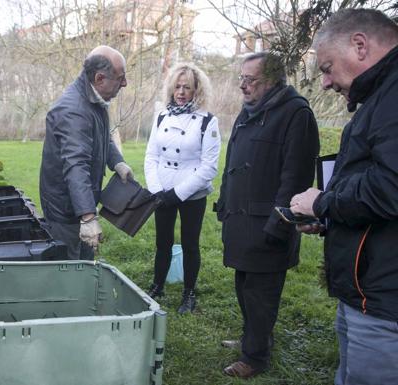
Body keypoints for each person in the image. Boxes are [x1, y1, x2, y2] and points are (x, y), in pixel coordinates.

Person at [290, 9, 398, 385]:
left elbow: (390, 189)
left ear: (360, 45)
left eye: (326, 67)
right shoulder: (380, 97)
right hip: (365, 291)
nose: (324, 82)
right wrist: (331, 216)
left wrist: (321, 202)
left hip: (384, 302)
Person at [213, 51, 319, 378]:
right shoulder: (251, 111)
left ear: (272, 80)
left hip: (268, 222)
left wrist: (281, 221)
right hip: (241, 220)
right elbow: (233, 164)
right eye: (241, 79)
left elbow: (296, 177)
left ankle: (255, 357)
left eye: (250, 80)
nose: (242, 86)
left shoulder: (295, 113)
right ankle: (254, 338)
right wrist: (224, 202)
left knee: (261, 294)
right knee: (244, 286)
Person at [39, 45, 133, 260]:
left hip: (79, 203)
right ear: (100, 78)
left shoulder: (95, 99)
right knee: (70, 268)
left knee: (85, 261)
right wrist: (88, 217)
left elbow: (102, 136)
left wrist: (117, 162)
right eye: (120, 78)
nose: (125, 83)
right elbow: (76, 166)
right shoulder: (74, 111)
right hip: (65, 209)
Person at [143, 62, 221, 314]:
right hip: (162, 192)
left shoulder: (207, 121)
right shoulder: (161, 116)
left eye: (187, 87)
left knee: (190, 244)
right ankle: (157, 285)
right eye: (177, 86)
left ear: (196, 90)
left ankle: (189, 293)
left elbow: (209, 168)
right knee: (162, 243)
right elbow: (151, 156)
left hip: (192, 192)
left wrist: (178, 194)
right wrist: (157, 190)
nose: (181, 92)